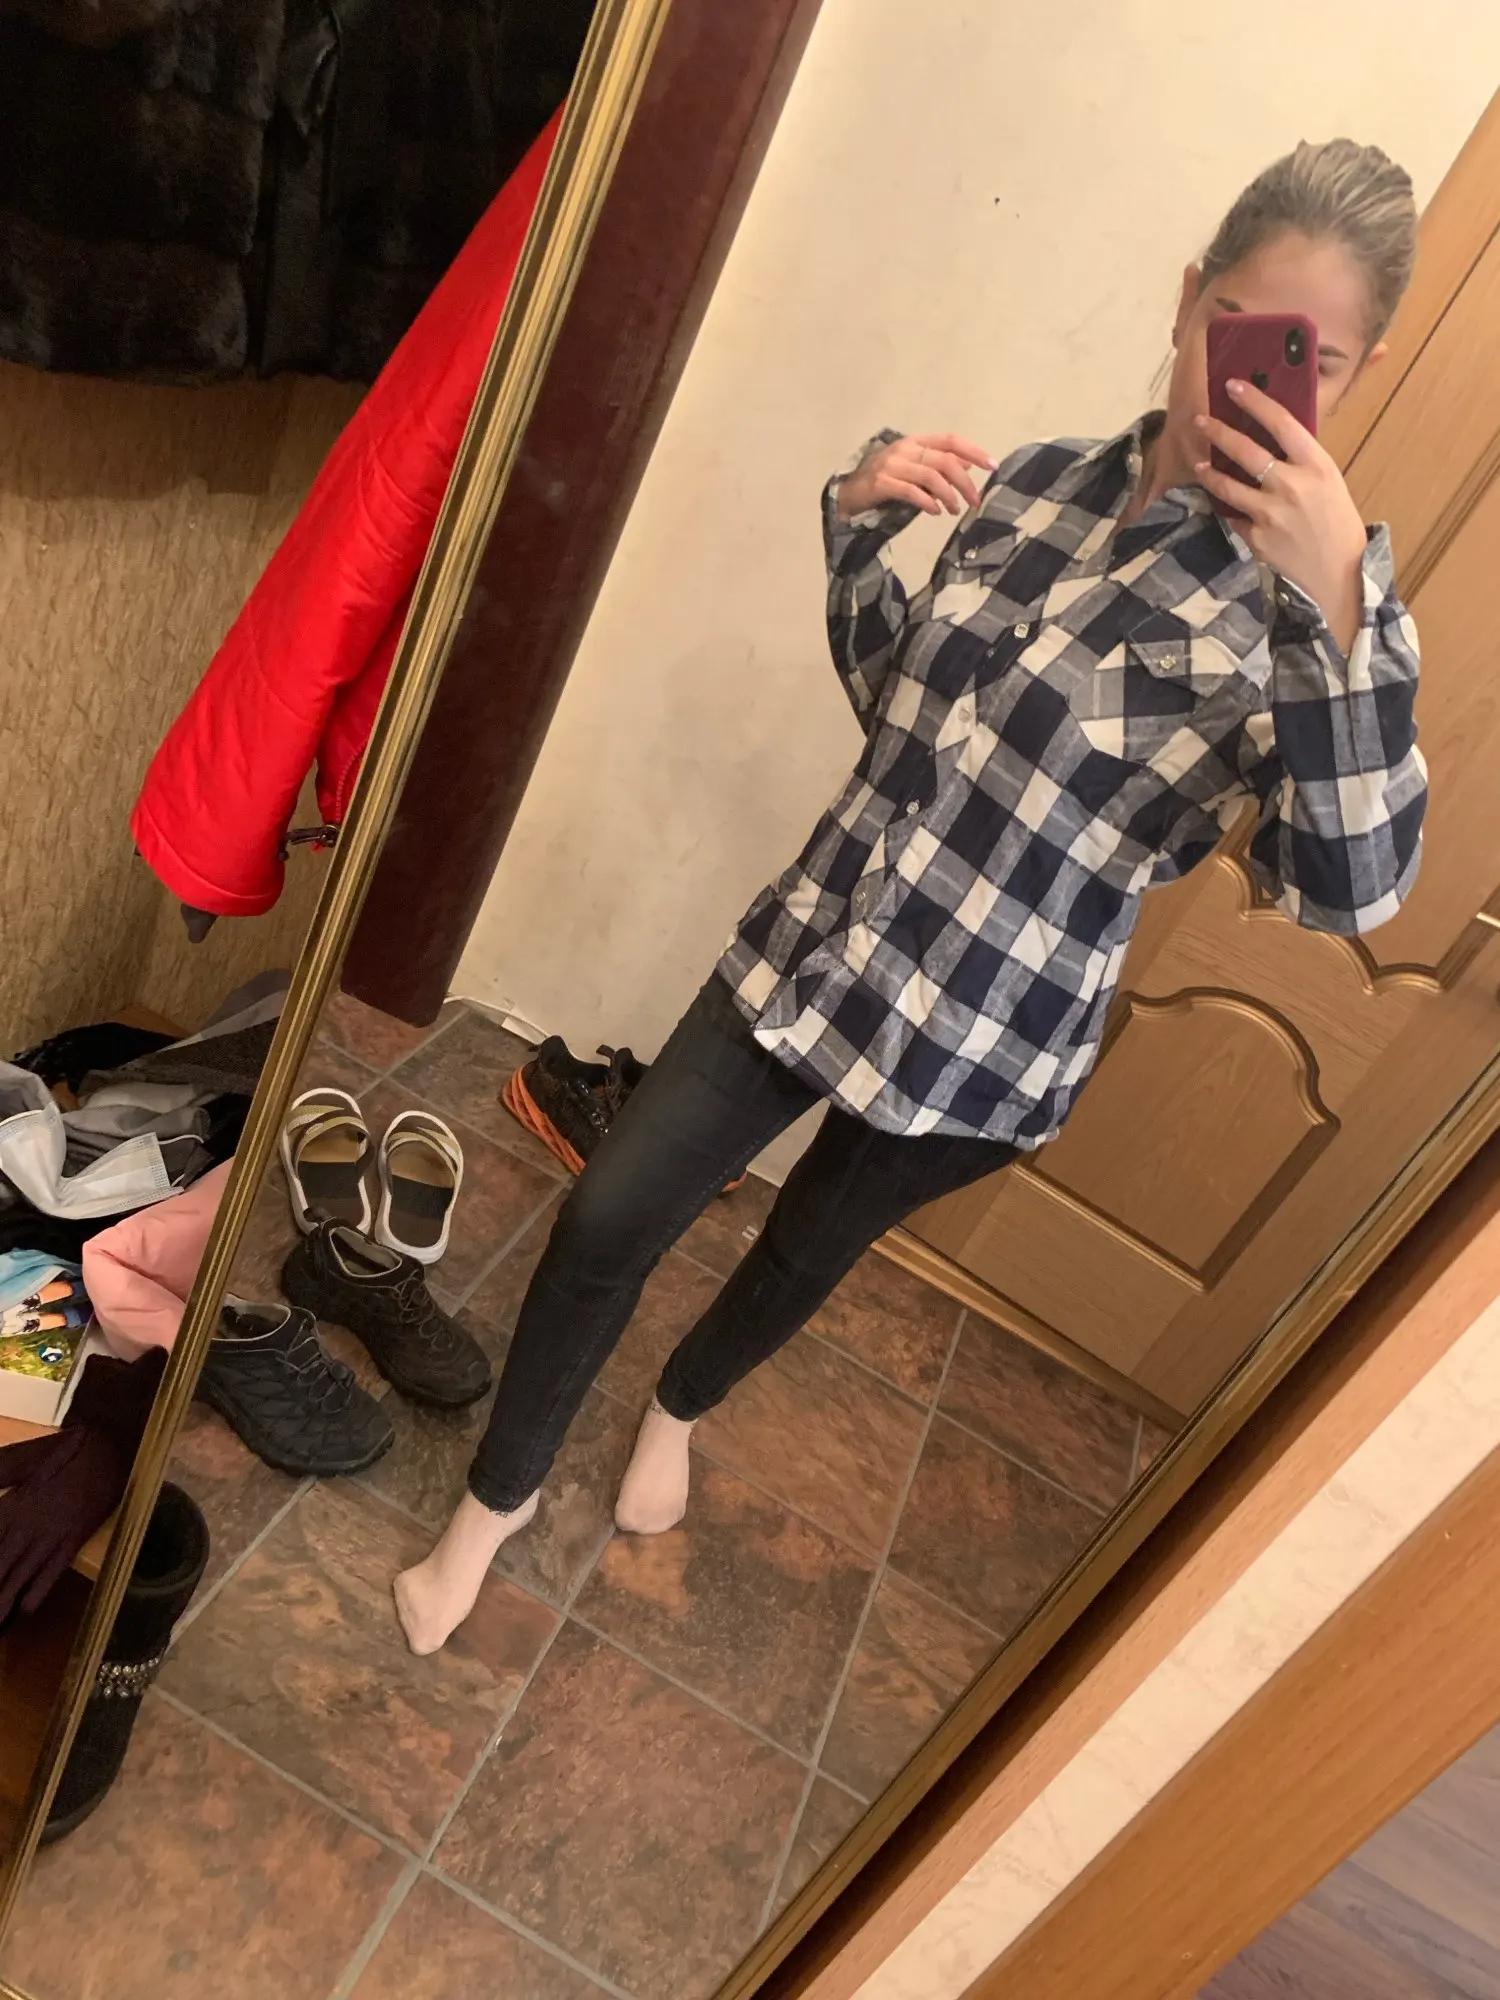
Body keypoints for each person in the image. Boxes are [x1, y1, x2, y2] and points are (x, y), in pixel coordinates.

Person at [395, 138, 1427, 1654]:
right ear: (1190, 297)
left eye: (1313, 362)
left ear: (1359, 373)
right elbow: (904, 708)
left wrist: (1338, 611)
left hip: (988, 1041)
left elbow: (1349, 890)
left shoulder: (1313, 625)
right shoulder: (1038, 488)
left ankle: (678, 1407)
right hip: (823, 942)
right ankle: (493, 1507)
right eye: (1242, 329)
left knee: (800, 1254)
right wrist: (860, 520)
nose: (1259, 388)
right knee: (612, 1210)